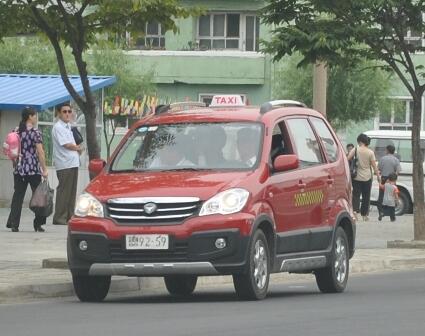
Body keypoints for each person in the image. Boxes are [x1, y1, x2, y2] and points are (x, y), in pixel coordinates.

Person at [6, 107, 48, 232]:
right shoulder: (35, 132)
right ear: (30, 116)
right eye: (35, 115)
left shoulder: (16, 131)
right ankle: (38, 224)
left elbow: (12, 150)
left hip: (19, 169)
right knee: (39, 196)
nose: (36, 117)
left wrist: (15, 163)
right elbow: (40, 152)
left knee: (18, 196)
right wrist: (44, 169)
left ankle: (14, 224)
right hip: (33, 169)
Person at [52, 103, 83, 225]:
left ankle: (69, 216)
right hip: (64, 164)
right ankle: (59, 217)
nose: (67, 114)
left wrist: (77, 149)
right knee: (64, 191)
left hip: (73, 162)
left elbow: (73, 142)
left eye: (69, 111)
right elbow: (66, 144)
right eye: (64, 112)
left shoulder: (68, 126)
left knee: (71, 192)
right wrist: (78, 148)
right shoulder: (58, 127)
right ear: (59, 113)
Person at [347, 133, 380, 221]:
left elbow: (348, 158)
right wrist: (378, 176)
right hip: (367, 177)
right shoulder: (370, 152)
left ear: (360, 141)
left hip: (356, 176)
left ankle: (355, 212)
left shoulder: (355, 149)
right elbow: (374, 166)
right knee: (366, 196)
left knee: (356, 195)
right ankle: (364, 215)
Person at [377, 144, 401, 218]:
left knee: (381, 196)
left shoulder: (382, 159)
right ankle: (390, 213)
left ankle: (381, 212)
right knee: (391, 196)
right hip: (392, 179)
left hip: (384, 179)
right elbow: (398, 170)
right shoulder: (396, 160)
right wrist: (394, 177)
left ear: (387, 150)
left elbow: (379, 169)